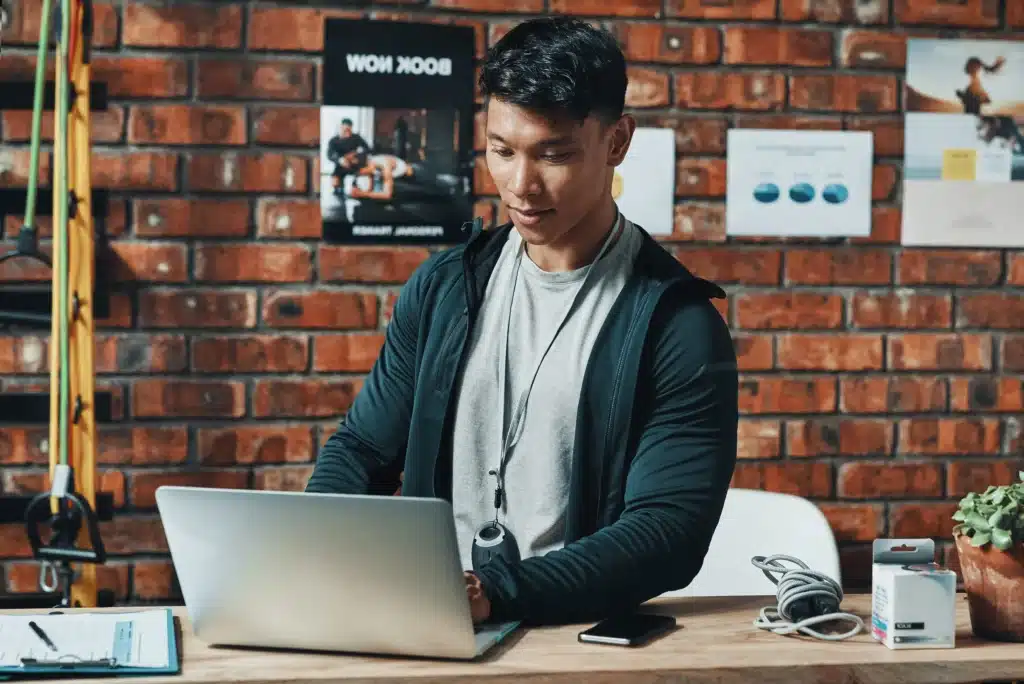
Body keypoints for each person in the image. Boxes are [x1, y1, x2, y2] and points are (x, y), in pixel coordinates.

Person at [305, 16, 739, 627]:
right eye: (501, 151)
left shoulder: (677, 324)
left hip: (574, 635)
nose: (520, 185)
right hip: (434, 622)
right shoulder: (443, 289)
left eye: (554, 154)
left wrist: (497, 592)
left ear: (616, 142)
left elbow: (669, 531)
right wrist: (308, 553)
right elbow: (361, 450)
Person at [326, 118, 370, 192]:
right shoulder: (334, 140)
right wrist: (340, 160)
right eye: (344, 129)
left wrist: (357, 156)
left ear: (351, 128)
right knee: (335, 184)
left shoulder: (356, 138)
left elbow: (367, 149)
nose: (346, 132)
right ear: (341, 127)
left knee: (360, 180)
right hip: (341, 165)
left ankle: (355, 187)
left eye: (348, 130)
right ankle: (338, 189)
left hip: (355, 164)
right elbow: (329, 154)